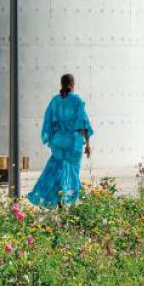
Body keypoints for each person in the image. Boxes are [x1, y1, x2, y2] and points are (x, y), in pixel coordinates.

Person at [28, 74, 93, 207]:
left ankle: (56, 199)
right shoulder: (77, 100)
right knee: (72, 172)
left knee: (56, 171)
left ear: (61, 84)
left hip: (59, 141)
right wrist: (88, 144)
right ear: (73, 85)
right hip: (73, 143)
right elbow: (83, 124)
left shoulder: (55, 101)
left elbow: (48, 122)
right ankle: (69, 200)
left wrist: (53, 138)